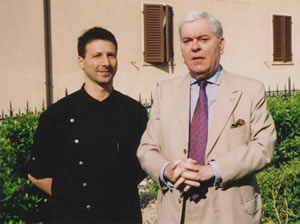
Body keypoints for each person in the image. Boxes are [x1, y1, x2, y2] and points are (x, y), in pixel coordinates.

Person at [137, 10, 276, 224]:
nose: (195, 47)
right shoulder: (164, 91)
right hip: (177, 213)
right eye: (187, 41)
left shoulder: (250, 91)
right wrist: (167, 170)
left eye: (203, 39)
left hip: (231, 212)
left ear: (220, 45)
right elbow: (147, 148)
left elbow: (263, 147)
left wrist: (213, 170)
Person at [28, 27, 148, 224]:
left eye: (111, 55)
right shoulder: (57, 115)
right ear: (81, 62)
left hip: (123, 217)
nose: (106, 63)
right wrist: (73, 198)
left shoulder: (134, 112)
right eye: (97, 56)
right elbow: (37, 174)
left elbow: (142, 165)